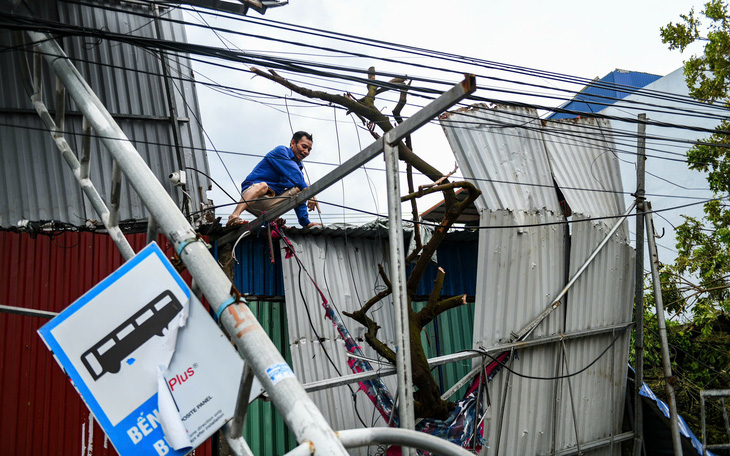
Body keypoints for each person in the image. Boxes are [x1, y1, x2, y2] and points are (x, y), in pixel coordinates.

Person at [227, 131, 322, 228]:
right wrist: (309, 192)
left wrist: (306, 223)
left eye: (309, 150)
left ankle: (275, 220)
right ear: (293, 143)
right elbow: (293, 171)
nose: (306, 152)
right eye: (304, 146)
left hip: (270, 203)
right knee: (264, 186)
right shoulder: (280, 151)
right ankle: (234, 215)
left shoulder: (298, 169)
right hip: (253, 196)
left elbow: (300, 187)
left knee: (303, 187)